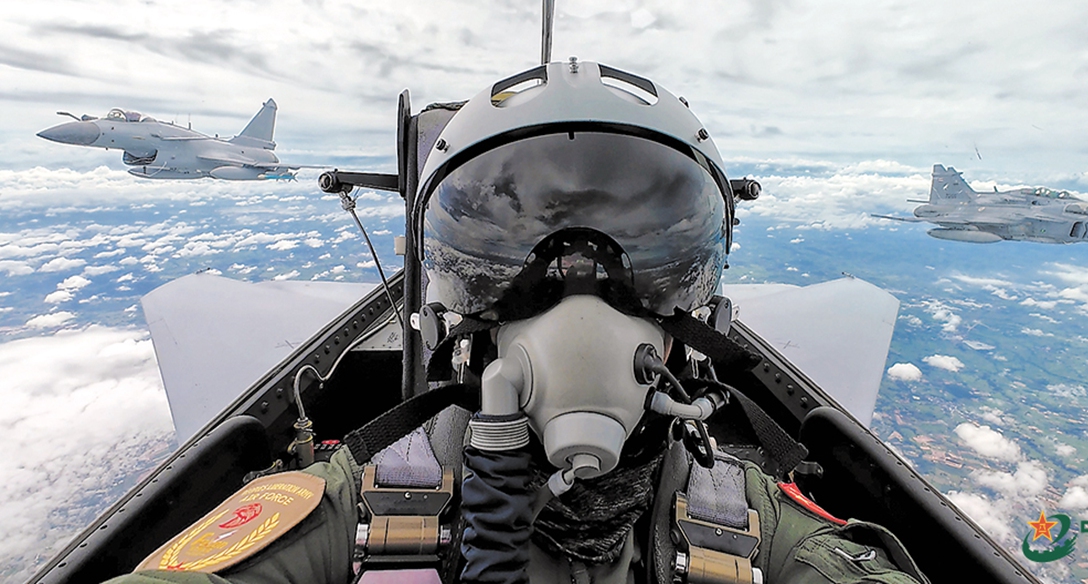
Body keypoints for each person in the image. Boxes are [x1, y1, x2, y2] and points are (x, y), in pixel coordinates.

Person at [108, 61, 927, 584]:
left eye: (639, 271)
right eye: (516, 273)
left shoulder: (754, 530)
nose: (582, 309)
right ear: (458, 319)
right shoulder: (356, 511)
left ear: (698, 316)